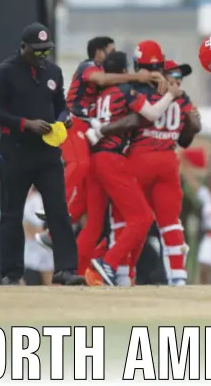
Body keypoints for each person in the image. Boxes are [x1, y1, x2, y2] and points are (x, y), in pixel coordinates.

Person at [35, 37, 161, 257]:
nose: (110, 55)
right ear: (98, 52)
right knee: (79, 163)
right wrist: (141, 79)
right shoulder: (89, 67)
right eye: (109, 51)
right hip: (73, 122)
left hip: (91, 135)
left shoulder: (107, 91)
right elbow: (103, 80)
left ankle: (55, 239)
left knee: (89, 213)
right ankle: (51, 205)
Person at [0, 22, 83, 285]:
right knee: (12, 213)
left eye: (46, 49)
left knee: (58, 209)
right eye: (37, 50)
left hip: (47, 151)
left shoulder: (54, 72)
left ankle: (66, 269)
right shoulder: (4, 72)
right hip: (15, 149)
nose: (42, 55)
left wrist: (64, 119)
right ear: (24, 46)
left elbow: (60, 106)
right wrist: (25, 124)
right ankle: (12, 273)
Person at [82, 45, 182, 286]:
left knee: (95, 223)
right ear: (127, 70)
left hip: (94, 157)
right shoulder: (126, 90)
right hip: (112, 158)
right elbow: (151, 114)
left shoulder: (102, 95)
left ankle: (77, 271)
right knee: (142, 218)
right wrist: (171, 95)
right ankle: (109, 262)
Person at [124, 55, 201, 285]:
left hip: (142, 157)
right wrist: (187, 110)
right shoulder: (180, 97)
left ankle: (122, 272)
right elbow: (195, 127)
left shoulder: (145, 93)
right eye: (174, 76)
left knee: (133, 219)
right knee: (170, 222)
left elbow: (129, 122)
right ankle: (178, 277)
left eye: (181, 77)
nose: (179, 81)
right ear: (163, 76)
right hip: (167, 160)